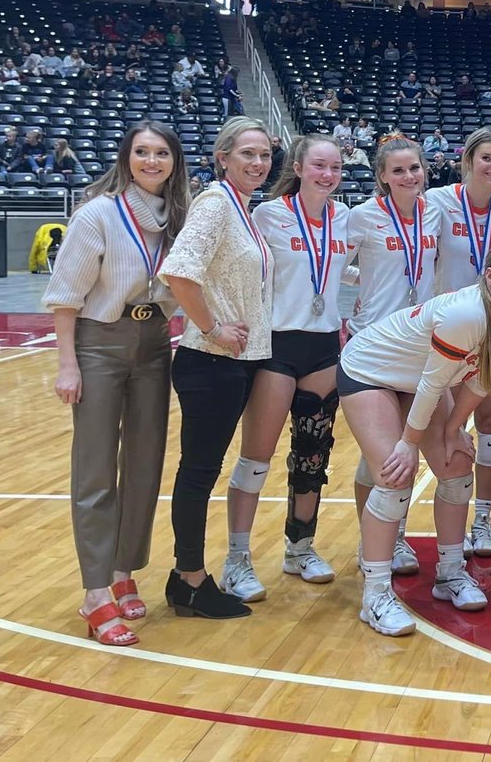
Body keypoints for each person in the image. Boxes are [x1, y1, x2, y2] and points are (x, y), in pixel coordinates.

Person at [341, 239, 491, 634]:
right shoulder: (465, 315)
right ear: (489, 277)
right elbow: (433, 387)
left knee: (456, 466)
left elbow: (483, 378)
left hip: (416, 382)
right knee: (395, 476)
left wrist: (452, 432)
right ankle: (376, 594)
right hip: (370, 371)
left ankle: (450, 573)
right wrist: (408, 443)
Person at [43, 122, 190, 645]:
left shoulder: (177, 218)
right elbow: (65, 295)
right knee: (96, 468)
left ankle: (124, 569)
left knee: (146, 463)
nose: (152, 161)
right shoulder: (97, 214)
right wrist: (68, 364)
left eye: (161, 153)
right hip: (99, 342)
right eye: (142, 152)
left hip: (154, 342)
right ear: (126, 156)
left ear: (174, 160)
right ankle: (94, 592)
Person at [218, 135, 352, 604]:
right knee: (257, 458)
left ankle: (300, 547)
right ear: (298, 165)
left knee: (313, 455)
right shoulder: (269, 215)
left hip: (323, 347)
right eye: (319, 165)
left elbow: (346, 272)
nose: (327, 174)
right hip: (276, 345)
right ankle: (237, 558)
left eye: (335, 167)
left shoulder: (345, 219)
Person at [159, 117, 275, 619]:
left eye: (265, 155)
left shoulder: (243, 208)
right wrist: (211, 327)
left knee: (203, 470)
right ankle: (189, 579)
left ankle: (187, 577)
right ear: (221, 157)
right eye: (246, 153)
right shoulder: (214, 204)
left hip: (235, 363)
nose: (257, 163)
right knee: (199, 472)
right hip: (210, 361)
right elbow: (180, 272)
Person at [425, 127, 491, 556]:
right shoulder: (437, 203)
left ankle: (483, 519)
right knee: (434, 430)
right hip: (447, 330)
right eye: (486, 158)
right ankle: (397, 534)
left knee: (489, 423)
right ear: (467, 160)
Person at [345, 137, 441, 572]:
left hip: (419, 346)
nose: (409, 177)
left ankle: (392, 536)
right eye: (398, 171)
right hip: (375, 347)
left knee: (400, 451)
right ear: (382, 176)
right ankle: (378, 541)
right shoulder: (361, 217)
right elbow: (331, 265)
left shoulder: (434, 212)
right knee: (382, 455)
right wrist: (352, 306)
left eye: (415, 169)